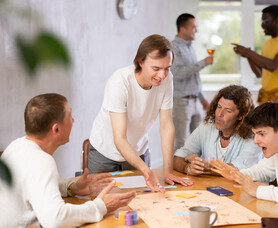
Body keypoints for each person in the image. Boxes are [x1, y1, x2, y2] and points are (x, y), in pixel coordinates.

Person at [0, 93, 136, 228]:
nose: (73, 120)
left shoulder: (17, 146)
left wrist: (71, 188)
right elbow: (55, 220)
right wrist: (101, 206)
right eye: (70, 116)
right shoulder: (41, 161)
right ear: (56, 129)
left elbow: (32, 188)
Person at [88, 34, 192, 192]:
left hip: (138, 151)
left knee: (141, 203)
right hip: (105, 152)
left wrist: (168, 171)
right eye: (156, 69)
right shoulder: (120, 82)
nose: (162, 75)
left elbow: (166, 127)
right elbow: (120, 139)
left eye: (167, 68)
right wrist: (147, 170)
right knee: (102, 203)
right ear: (140, 62)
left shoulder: (167, 80)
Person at [232, 5, 278, 129]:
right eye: (261, 21)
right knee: (264, 133)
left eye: (265, 21)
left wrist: (249, 53)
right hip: (267, 97)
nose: (262, 25)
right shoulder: (267, 44)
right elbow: (260, 73)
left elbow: (273, 65)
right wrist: (248, 56)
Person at [173, 85, 262, 176]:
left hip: (247, 189)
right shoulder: (206, 128)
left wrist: (202, 164)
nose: (219, 114)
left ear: (241, 115)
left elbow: (234, 170)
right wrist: (187, 168)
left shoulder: (255, 137)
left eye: (228, 110)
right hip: (214, 188)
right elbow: (177, 159)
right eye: (219, 107)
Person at [171, 13, 214, 151]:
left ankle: (193, 171)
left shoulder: (190, 47)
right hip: (181, 103)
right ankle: (177, 172)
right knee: (182, 142)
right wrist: (204, 63)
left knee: (197, 141)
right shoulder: (173, 48)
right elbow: (177, 73)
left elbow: (192, 75)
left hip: (195, 101)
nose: (196, 30)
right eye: (194, 27)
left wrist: (201, 99)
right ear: (183, 29)